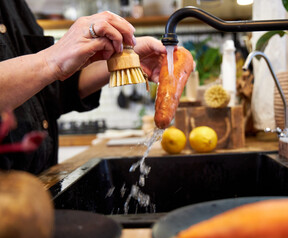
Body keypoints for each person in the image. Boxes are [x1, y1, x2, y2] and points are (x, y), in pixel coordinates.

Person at [0, 0, 166, 174]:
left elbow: (53, 90)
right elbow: (50, 65)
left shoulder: (15, 5)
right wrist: (50, 60)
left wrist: (128, 59)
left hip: (40, 184)